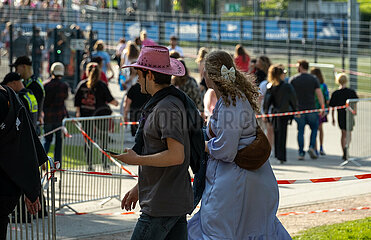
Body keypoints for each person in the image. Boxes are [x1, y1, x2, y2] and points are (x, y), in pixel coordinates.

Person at [187, 50, 291, 239]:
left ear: (210, 75)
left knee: (218, 230)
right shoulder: (230, 100)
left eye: (204, 71)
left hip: (236, 184)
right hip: (241, 180)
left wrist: (201, 145)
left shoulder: (231, 103)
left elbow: (226, 150)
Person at [112, 45, 203, 239]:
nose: (136, 78)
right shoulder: (164, 102)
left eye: (139, 73)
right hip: (168, 200)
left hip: (162, 204)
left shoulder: (166, 106)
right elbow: (161, 151)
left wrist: (137, 160)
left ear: (150, 75)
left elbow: (176, 155)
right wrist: (139, 187)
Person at [0, 84, 48, 239]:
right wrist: (30, 186)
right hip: (7, 189)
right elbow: (26, 142)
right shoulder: (12, 97)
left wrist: (31, 187)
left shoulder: (8, 98)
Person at [74, 63, 118, 170]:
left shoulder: (82, 85)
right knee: (103, 141)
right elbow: (111, 100)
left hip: (86, 117)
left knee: (88, 141)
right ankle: (105, 164)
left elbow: (77, 101)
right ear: (99, 73)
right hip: (101, 116)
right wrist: (116, 103)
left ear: (87, 72)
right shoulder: (102, 85)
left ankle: (89, 165)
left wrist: (78, 112)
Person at [289, 60, 325, 160]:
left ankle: (301, 152)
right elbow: (319, 93)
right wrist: (322, 107)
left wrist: (293, 109)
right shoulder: (313, 79)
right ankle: (311, 146)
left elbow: (290, 96)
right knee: (314, 129)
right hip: (311, 109)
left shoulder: (293, 79)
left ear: (300, 66)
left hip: (299, 110)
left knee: (300, 131)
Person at [264, 64, 298, 164]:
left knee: (277, 133)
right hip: (284, 113)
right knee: (282, 134)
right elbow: (293, 99)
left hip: (275, 114)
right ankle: (281, 156)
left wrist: (266, 113)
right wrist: (296, 110)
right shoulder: (287, 86)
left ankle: (278, 154)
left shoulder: (270, 86)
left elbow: (267, 102)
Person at [43, 62, 69, 164]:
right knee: (59, 142)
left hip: (48, 117)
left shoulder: (46, 85)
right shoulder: (64, 86)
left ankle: (42, 163)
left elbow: (44, 102)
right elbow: (65, 98)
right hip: (59, 118)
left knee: (47, 140)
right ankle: (57, 164)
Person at [329, 73, 358, 160]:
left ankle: (344, 150)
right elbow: (355, 103)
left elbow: (333, 107)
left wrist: (333, 118)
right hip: (349, 114)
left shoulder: (336, 93)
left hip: (340, 115)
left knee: (343, 133)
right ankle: (347, 147)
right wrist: (355, 111)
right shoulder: (351, 92)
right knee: (349, 133)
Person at [13, 56, 45, 134]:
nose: (16, 71)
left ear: (24, 66)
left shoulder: (34, 86)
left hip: (31, 126)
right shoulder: (34, 81)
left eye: (17, 68)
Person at [311, 67, 330, 155]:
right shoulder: (323, 85)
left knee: (314, 129)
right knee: (320, 129)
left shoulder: (312, 84)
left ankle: (315, 148)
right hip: (321, 109)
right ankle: (321, 147)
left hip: (313, 109)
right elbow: (327, 98)